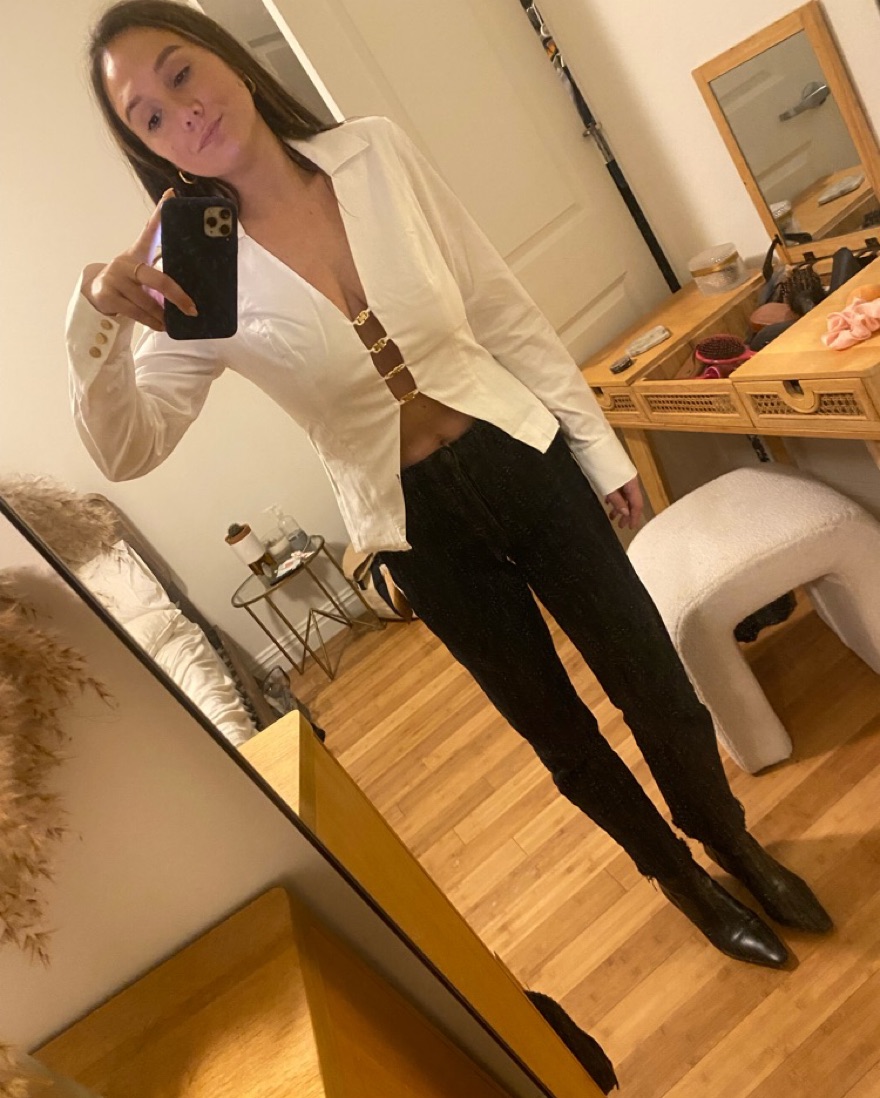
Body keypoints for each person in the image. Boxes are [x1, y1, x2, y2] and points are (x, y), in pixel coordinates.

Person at [68, 0, 832, 970]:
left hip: (520, 453)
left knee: (655, 680)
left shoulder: (373, 154)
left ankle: (730, 842)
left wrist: (597, 448)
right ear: (149, 150)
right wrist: (98, 328)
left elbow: (499, 305)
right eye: (146, 115)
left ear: (224, 58)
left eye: (180, 72)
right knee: (561, 736)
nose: (179, 111)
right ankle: (680, 881)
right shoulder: (194, 276)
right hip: (415, 526)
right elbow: (128, 448)